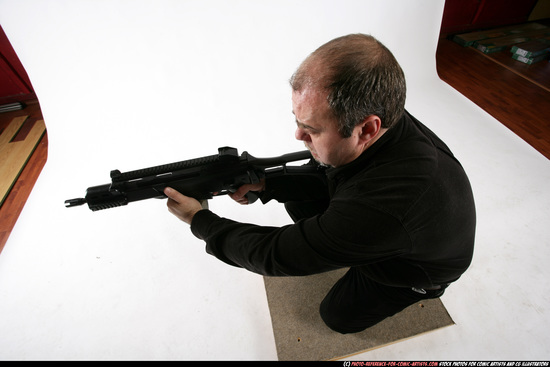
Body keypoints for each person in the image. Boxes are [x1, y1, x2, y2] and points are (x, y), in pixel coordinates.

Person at [164, 34, 476, 334]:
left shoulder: (385, 204)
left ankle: (417, 289)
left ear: (367, 129)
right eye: (297, 121)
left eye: (311, 129)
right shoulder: (381, 112)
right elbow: (329, 172)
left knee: (338, 317)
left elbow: (275, 254)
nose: (298, 136)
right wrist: (265, 184)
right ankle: (344, 243)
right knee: (295, 197)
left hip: (411, 270)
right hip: (399, 226)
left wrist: (199, 220)